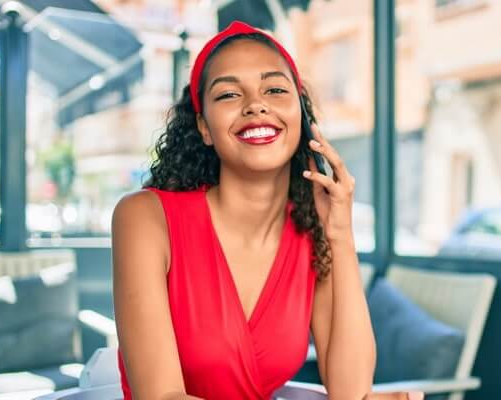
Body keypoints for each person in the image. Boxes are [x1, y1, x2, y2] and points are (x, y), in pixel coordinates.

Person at [112, 21, 408, 399]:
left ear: (299, 115)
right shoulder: (144, 217)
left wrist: (340, 236)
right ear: (204, 127)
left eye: (275, 89)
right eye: (229, 95)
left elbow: (350, 391)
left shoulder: (311, 232)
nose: (256, 104)